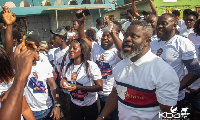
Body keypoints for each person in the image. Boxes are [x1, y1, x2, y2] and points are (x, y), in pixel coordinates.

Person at [97, 20, 180, 120]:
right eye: (126, 35)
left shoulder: (163, 72)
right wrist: (101, 117)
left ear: (147, 42)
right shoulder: (120, 66)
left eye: (134, 36)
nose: (127, 39)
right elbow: (115, 94)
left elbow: (169, 114)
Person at [77, 10, 122, 120]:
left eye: (108, 36)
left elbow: (124, 52)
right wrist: (81, 22)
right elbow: (82, 38)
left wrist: (113, 33)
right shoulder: (96, 48)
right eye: (103, 36)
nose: (105, 38)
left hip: (112, 95)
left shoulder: (117, 52)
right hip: (96, 94)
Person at [151, 13, 200, 111]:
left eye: (164, 23)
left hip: (173, 99)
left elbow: (195, 71)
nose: (159, 26)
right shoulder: (153, 44)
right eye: (158, 23)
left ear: (174, 25)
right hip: (153, 97)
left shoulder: (183, 43)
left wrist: (175, 89)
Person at [60, 39, 103, 120]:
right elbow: (64, 78)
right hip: (74, 104)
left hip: (90, 105)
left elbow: (100, 86)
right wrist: (63, 82)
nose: (71, 50)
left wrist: (80, 88)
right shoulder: (67, 66)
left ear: (82, 50)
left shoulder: (91, 66)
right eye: (70, 48)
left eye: (74, 48)